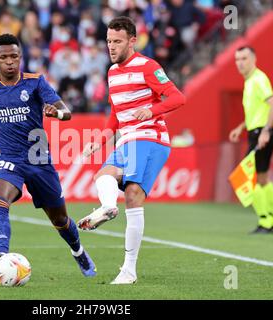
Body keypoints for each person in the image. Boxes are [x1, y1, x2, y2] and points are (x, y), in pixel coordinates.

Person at [0, 34, 96, 277]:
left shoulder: (36, 82)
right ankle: (1, 255)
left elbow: (66, 112)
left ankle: (78, 251)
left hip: (39, 161)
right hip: (9, 159)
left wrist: (56, 114)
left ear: (21, 57)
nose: (10, 62)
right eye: (4, 57)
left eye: (15, 56)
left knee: (60, 220)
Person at [78, 16, 186, 284]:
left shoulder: (147, 66)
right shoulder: (112, 72)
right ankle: (107, 208)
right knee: (104, 177)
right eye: (108, 41)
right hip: (126, 139)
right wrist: (99, 141)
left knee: (132, 194)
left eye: (117, 41)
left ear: (132, 41)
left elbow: (177, 97)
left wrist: (151, 109)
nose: (111, 47)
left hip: (150, 137)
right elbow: (116, 113)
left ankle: (128, 269)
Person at [229, 46, 273, 234]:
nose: (240, 63)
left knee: (251, 178)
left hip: (262, 133)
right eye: (237, 59)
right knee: (262, 177)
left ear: (253, 59)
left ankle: (265, 222)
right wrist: (241, 127)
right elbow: (257, 111)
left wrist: (266, 132)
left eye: (244, 58)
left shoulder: (259, 79)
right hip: (257, 132)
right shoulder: (251, 81)